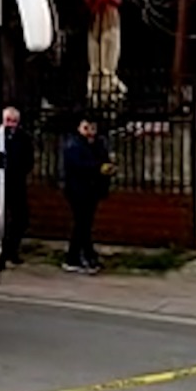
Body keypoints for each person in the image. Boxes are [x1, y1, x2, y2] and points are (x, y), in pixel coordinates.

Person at [62, 114, 114, 273]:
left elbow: (104, 160)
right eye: (86, 128)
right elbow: (78, 165)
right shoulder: (74, 144)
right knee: (82, 224)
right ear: (79, 128)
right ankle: (83, 256)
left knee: (84, 224)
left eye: (92, 128)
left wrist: (108, 168)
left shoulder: (98, 143)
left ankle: (76, 256)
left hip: (93, 190)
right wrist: (98, 167)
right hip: (77, 190)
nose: (90, 131)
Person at [0, 106, 31, 265]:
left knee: (20, 219)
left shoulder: (24, 137)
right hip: (0, 184)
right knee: (3, 219)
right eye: (8, 120)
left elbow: (29, 159)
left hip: (17, 182)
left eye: (14, 121)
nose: (11, 124)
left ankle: (13, 250)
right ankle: (2, 255)